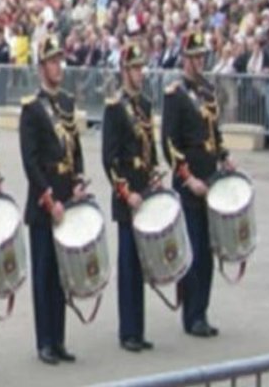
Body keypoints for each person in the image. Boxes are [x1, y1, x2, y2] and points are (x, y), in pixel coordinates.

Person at [19, 34, 87, 366]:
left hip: (66, 199)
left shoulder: (67, 104)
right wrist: (49, 198)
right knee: (44, 275)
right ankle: (44, 340)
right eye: (53, 61)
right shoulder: (32, 108)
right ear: (41, 66)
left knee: (62, 276)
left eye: (60, 60)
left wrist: (77, 183)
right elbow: (30, 162)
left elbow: (76, 149)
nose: (59, 66)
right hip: (45, 203)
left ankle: (59, 339)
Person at [161, 30, 235, 338]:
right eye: (195, 56)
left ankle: (201, 309)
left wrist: (225, 156)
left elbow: (213, 132)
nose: (200, 61)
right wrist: (187, 177)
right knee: (193, 252)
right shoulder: (175, 94)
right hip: (189, 183)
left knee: (208, 247)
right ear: (185, 59)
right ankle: (192, 315)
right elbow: (169, 142)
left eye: (203, 56)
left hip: (211, 180)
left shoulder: (206, 90)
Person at [102, 43, 158, 352]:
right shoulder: (114, 108)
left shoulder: (145, 105)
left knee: (142, 264)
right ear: (124, 71)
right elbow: (109, 159)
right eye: (135, 68)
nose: (140, 73)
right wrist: (126, 192)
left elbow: (151, 147)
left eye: (141, 68)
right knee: (128, 266)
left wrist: (155, 176)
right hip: (127, 197)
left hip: (145, 191)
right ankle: (127, 331)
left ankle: (139, 329)